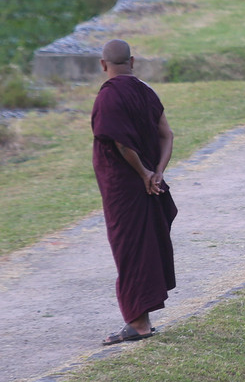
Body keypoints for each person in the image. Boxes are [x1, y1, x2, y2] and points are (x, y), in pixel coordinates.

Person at [91, 39, 177, 345]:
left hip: (125, 187)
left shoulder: (108, 98)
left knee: (129, 250)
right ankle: (142, 320)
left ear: (103, 65)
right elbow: (166, 134)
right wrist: (159, 172)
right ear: (133, 61)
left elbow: (122, 144)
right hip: (148, 183)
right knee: (144, 247)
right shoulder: (146, 91)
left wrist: (143, 174)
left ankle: (139, 324)